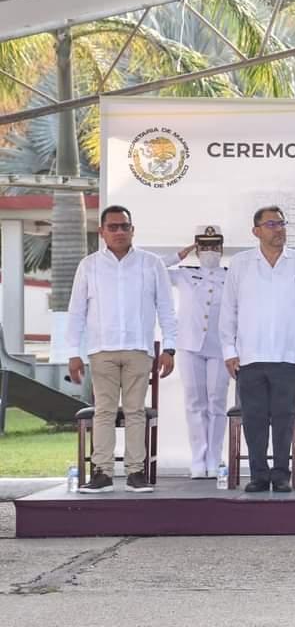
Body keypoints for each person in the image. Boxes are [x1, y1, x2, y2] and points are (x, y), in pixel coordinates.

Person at [66, 205, 178, 493]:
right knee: (103, 410)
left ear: (132, 230)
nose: (119, 232)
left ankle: (135, 473)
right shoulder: (89, 266)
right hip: (101, 350)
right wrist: (72, 353)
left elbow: (166, 308)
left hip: (138, 350)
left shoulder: (151, 264)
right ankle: (102, 473)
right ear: (102, 231)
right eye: (112, 227)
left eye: (124, 226)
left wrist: (170, 348)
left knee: (135, 411)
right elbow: (76, 311)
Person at [220, 206, 295, 493]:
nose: (278, 229)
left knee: (283, 417)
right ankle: (258, 475)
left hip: (288, 355)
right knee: (253, 419)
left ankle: (280, 474)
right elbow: (229, 309)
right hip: (249, 355)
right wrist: (229, 349)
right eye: (271, 224)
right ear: (256, 231)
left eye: (281, 224)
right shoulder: (241, 263)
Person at [160, 225, 229, 479]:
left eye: (214, 245)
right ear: (197, 249)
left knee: (217, 402)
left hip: (221, 347)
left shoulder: (231, 275)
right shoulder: (185, 274)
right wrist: (180, 254)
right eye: (204, 245)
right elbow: (154, 269)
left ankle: (215, 457)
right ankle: (198, 458)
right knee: (195, 403)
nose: (209, 250)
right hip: (190, 345)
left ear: (221, 248)